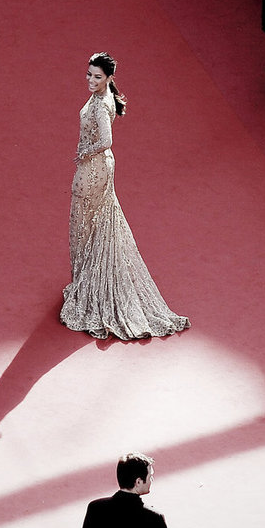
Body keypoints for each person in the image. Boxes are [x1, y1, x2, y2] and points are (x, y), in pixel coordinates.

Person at [60, 53, 189, 341]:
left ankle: (91, 285)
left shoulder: (102, 106)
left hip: (93, 169)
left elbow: (106, 141)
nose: (91, 80)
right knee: (93, 224)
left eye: (97, 76)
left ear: (108, 78)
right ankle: (89, 280)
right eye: (88, 74)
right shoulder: (101, 98)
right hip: (97, 167)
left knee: (85, 224)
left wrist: (84, 151)